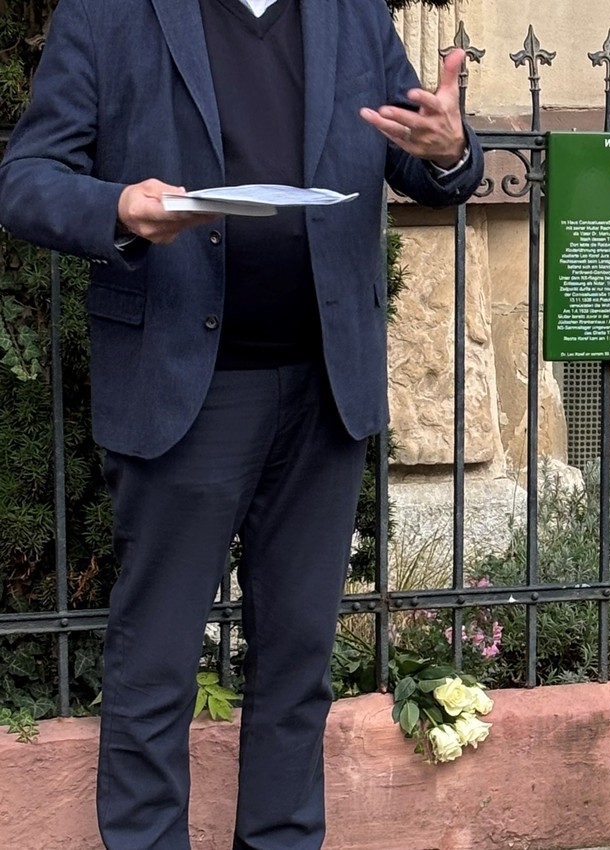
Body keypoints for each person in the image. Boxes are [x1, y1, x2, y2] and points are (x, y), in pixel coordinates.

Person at [0, 0, 483, 848]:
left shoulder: (350, 12)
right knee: (154, 670)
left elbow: (420, 153)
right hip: (185, 392)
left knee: (297, 669)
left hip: (325, 388)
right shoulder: (111, 14)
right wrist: (119, 208)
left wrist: (453, 153)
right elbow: (27, 178)